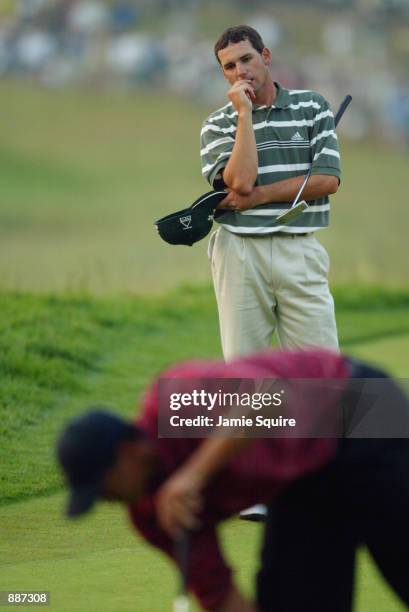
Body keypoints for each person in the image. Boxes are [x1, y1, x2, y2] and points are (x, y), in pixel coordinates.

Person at [57, 349, 409, 612]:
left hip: (359, 407)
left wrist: (194, 474)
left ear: (129, 452)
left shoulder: (176, 400)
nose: (105, 499)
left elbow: (270, 397)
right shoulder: (151, 516)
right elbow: (219, 594)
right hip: (301, 477)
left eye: (103, 484)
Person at [201, 25, 341, 361]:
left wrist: (260, 198)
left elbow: (326, 180)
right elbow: (240, 183)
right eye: (230, 67)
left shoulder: (312, 106)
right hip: (240, 251)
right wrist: (244, 115)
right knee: (246, 373)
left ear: (265, 56)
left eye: (246, 59)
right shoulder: (218, 124)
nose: (240, 71)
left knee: (320, 370)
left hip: (300, 247)